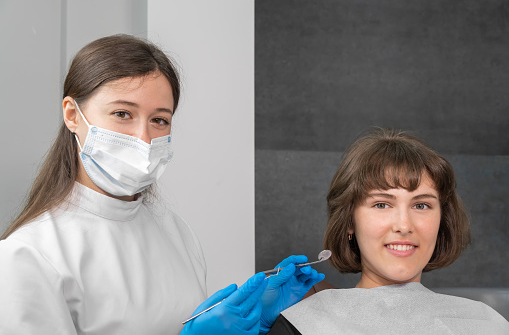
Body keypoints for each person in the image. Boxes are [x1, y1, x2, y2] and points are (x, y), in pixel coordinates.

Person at [0, 34, 324, 335]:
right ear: (72, 114)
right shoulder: (29, 255)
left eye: (159, 120)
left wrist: (255, 317)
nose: (143, 138)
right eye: (122, 114)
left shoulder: (175, 232)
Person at [268, 128, 509, 334]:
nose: (404, 225)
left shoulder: (486, 324)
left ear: (442, 220)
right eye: (382, 204)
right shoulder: (302, 326)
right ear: (350, 220)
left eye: (421, 205)